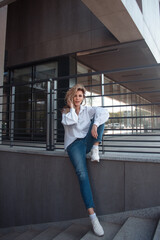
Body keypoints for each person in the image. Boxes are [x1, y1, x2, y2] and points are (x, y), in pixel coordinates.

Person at [61, 84, 109, 237]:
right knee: (82, 174)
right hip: (74, 145)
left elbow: (104, 112)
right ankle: (93, 218)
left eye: (80, 96)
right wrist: (71, 107)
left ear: (83, 98)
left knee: (100, 118)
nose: (77, 98)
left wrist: (94, 124)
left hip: (87, 142)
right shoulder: (66, 112)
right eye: (75, 95)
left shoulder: (88, 110)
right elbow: (72, 122)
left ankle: (95, 148)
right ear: (71, 97)